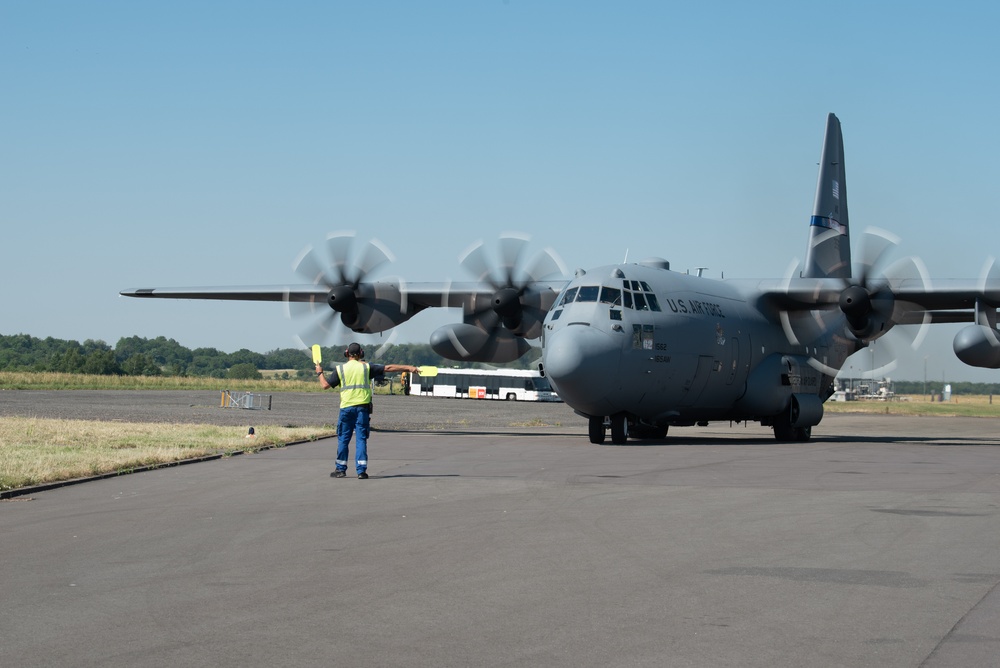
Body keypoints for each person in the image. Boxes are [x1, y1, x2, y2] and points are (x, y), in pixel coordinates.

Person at [316, 342, 420, 479]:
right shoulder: (366, 367)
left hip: (346, 409)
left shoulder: (340, 369)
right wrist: (409, 368)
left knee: (343, 439)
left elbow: (324, 385)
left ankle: (340, 469)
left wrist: (320, 372)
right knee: (361, 439)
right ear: (361, 354)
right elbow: (388, 367)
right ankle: (361, 471)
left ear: (347, 354)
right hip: (362, 409)